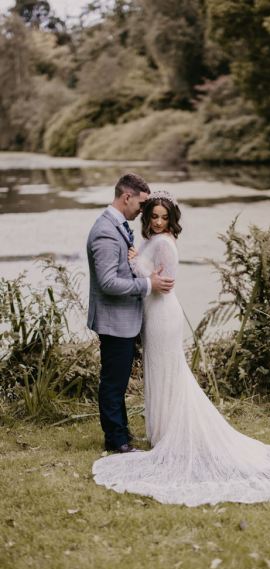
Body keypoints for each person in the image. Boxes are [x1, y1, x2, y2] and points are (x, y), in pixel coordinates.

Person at [92, 191, 270, 506]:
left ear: (171, 219)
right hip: (152, 313)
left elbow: (166, 281)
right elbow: (148, 274)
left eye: (163, 217)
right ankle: (162, 433)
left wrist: (135, 264)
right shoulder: (155, 240)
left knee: (168, 372)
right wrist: (138, 264)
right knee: (160, 372)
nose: (157, 222)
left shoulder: (166, 243)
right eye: (153, 216)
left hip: (162, 314)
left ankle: (171, 435)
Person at [87, 175, 174, 453]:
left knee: (119, 379)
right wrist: (149, 284)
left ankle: (121, 432)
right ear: (127, 197)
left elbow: (124, 268)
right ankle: (116, 441)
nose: (144, 210)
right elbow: (108, 282)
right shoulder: (105, 231)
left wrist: (137, 262)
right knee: (113, 382)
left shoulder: (117, 225)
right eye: (142, 203)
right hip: (115, 320)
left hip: (124, 319)